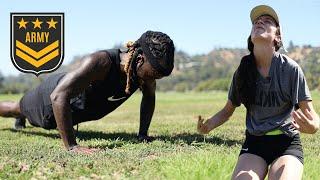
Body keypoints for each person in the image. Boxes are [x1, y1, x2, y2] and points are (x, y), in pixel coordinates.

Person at [0, 30, 175, 154]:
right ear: (139, 59)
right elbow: (58, 96)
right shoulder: (101, 62)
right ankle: (20, 115)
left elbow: (149, 98)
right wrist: (72, 147)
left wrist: (143, 134)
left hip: (70, 101)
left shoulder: (143, 75)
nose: (155, 79)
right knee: (16, 109)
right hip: (49, 100)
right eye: (154, 74)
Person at [197, 5, 319, 180]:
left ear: (277, 36)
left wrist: (313, 127)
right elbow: (227, 111)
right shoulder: (243, 71)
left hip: (286, 142)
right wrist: (208, 126)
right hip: (255, 143)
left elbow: (312, 116)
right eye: (256, 21)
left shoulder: (290, 70)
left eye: (267, 21)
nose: (260, 21)